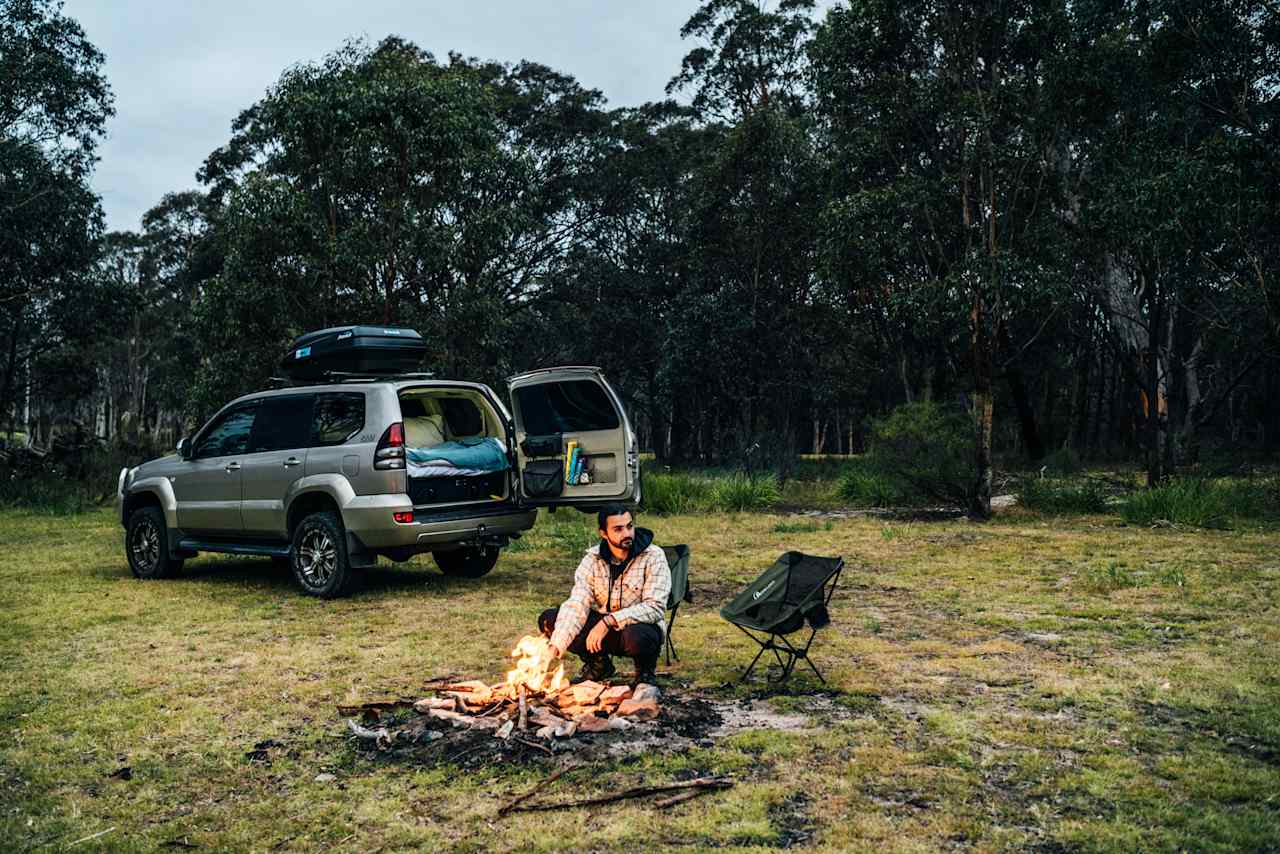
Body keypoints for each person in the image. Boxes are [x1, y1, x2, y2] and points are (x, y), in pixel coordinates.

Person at [539, 503, 670, 686]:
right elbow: (578, 602)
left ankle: (644, 672)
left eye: (629, 526)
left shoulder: (654, 556)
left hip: (637, 628)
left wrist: (609, 621)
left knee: (638, 636)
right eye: (618, 529)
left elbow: (655, 607)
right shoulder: (592, 560)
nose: (627, 534)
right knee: (550, 619)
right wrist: (557, 644)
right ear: (603, 533)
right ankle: (598, 665)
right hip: (604, 631)